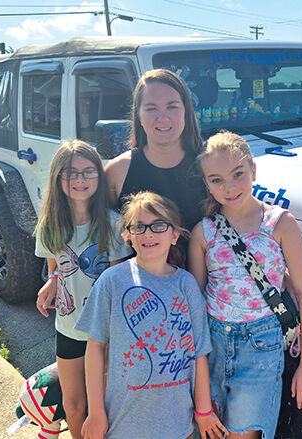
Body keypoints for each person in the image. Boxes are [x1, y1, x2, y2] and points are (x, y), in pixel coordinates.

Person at [188, 131, 302, 439]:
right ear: (207, 183)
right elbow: (194, 302)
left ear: (253, 169)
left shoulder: (280, 223)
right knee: (209, 429)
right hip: (212, 343)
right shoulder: (204, 232)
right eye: (217, 180)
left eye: (238, 174)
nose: (230, 187)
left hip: (261, 346)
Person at [76, 191, 227, 439]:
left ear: (174, 235)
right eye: (139, 227)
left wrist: (203, 410)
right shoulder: (111, 281)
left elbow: (199, 352)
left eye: (158, 226)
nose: (148, 233)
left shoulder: (187, 285)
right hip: (122, 423)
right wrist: (95, 412)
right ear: (127, 236)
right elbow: (94, 348)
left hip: (178, 424)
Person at [34, 140, 133, 439]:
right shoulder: (49, 226)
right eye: (71, 172)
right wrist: (51, 281)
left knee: (101, 405)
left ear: (99, 177)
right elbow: (56, 267)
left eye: (89, 171)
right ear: (57, 177)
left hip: (104, 334)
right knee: (73, 405)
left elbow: (118, 282)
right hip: (67, 329)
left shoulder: (113, 223)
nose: (80, 179)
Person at [105, 68, 207, 234]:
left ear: (186, 111)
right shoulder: (117, 171)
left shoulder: (209, 166)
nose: (163, 118)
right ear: (138, 115)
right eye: (151, 109)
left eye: (172, 107)